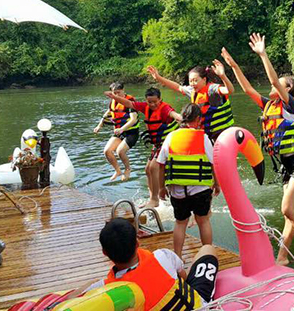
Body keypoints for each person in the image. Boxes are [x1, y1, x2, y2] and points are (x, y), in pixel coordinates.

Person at [220, 33, 294, 272]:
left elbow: (274, 80)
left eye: (280, 84)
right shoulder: (269, 105)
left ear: (289, 89)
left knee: (287, 209)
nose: (273, 86)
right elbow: (247, 89)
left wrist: (263, 54)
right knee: (290, 214)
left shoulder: (291, 105)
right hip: (287, 164)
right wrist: (233, 66)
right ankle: (282, 257)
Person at [87, 217, 218, 310]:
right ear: (137, 243)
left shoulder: (109, 290)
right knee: (207, 249)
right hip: (198, 305)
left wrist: (96, 284)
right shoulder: (162, 256)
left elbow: (77, 295)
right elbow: (183, 277)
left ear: (104, 252)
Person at [157, 103, 220, 258]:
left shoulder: (171, 136)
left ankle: (178, 257)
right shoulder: (203, 138)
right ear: (198, 119)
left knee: (180, 223)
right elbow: (214, 164)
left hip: (178, 191)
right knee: (203, 221)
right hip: (200, 189)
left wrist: (161, 188)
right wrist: (217, 184)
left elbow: (161, 164)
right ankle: (207, 256)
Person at [105, 87, 182, 208]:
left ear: (160, 99)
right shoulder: (145, 107)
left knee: (153, 167)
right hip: (157, 145)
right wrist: (114, 97)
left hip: (168, 144)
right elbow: (129, 103)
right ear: (146, 100)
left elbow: (174, 114)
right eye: (149, 102)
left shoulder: (165, 108)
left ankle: (155, 199)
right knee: (147, 169)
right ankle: (152, 198)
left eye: (155, 102)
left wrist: (182, 118)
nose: (152, 104)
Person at [147, 61, 235, 141]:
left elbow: (230, 90)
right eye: (190, 81)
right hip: (207, 135)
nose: (192, 84)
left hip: (222, 134)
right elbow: (178, 87)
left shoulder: (212, 89)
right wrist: (158, 78)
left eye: (195, 80)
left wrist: (223, 76)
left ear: (204, 79)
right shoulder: (192, 91)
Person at [94, 82, 139, 181]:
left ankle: (127, 169)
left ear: (123, 90)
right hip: (119, 132)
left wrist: (122, 129)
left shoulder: (130, 101)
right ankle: (117, 171)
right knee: (107, 151)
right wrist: (99, 125)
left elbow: (133, 119)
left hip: (131, 133)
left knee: (120, 151)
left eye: (119, 92)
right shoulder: (113, 102)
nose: (117, 95)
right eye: (114, 93)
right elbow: (108, 113)